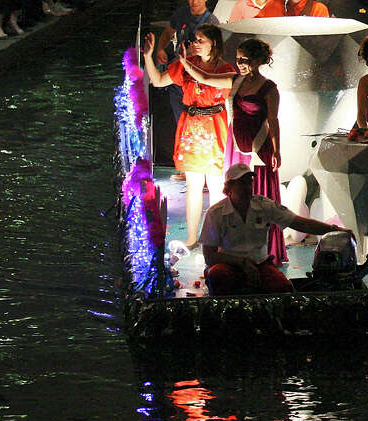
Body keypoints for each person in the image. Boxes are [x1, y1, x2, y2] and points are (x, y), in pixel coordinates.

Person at [178, 37, 286, 264]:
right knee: (236, 196)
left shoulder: (269, 88)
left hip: (259, 148)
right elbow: (206, 77)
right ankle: (236, 249)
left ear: (257, 60)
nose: (239, 64)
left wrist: (277, 151)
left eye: (244, 60)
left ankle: (267, 251)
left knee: (261, 197)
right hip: (236, 148)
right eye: (237, 59)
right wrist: (186, 63)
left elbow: (273, 121)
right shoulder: (234, 80)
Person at [143, 25, 234, 248]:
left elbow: (204, 78)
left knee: (215, 185)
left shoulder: (225, 69)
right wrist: (148, 57)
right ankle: (192, 238)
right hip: (191, 128)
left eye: (201, 40)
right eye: (195, 39)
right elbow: (157, 81)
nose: (195, 43)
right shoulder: (186, 63)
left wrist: (186, 64)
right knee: (193, 185)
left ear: (214, 42)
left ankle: (217, 238)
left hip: (214, 129)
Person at [201, 164, 352, 295]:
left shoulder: (263, 205)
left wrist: (333, 229)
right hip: (229, 265)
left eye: (249, 182)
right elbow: (210, 256)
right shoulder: (215, 213)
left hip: (259, 264)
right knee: (217, 276)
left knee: (283, 289)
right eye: (241, 183)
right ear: (229, 187)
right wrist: (242, 263)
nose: (247, 187)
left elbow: (300, 223)